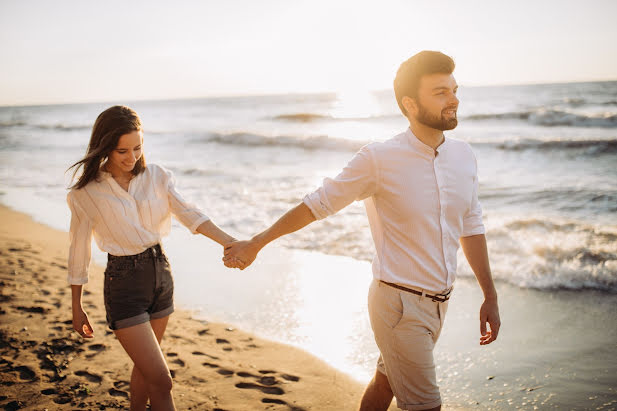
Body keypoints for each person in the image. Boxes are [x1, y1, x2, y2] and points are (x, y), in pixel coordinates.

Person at [223, 51, 501, 411]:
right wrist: (257, 243)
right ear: (410, 104)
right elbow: (318, 204)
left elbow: (471, 224)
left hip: (439, 303)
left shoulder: (464, 155)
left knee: (384, 384)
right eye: (440, 92)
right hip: (398, 306)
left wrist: (489, 295)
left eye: (454, 89)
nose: (454, 99)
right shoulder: (379, 158)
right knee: (426, 406)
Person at [66, 105, 236, 411]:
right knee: (162, 379)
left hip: (161, 275)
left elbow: (190, 214)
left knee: (146, 369)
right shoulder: (86, 193)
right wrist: (76, 305)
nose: (131, 158)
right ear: (105, 148)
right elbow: (79, 249)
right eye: (122, 151)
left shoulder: (156, 176)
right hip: (124, 285)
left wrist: (230, 242)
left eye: (137, 148)